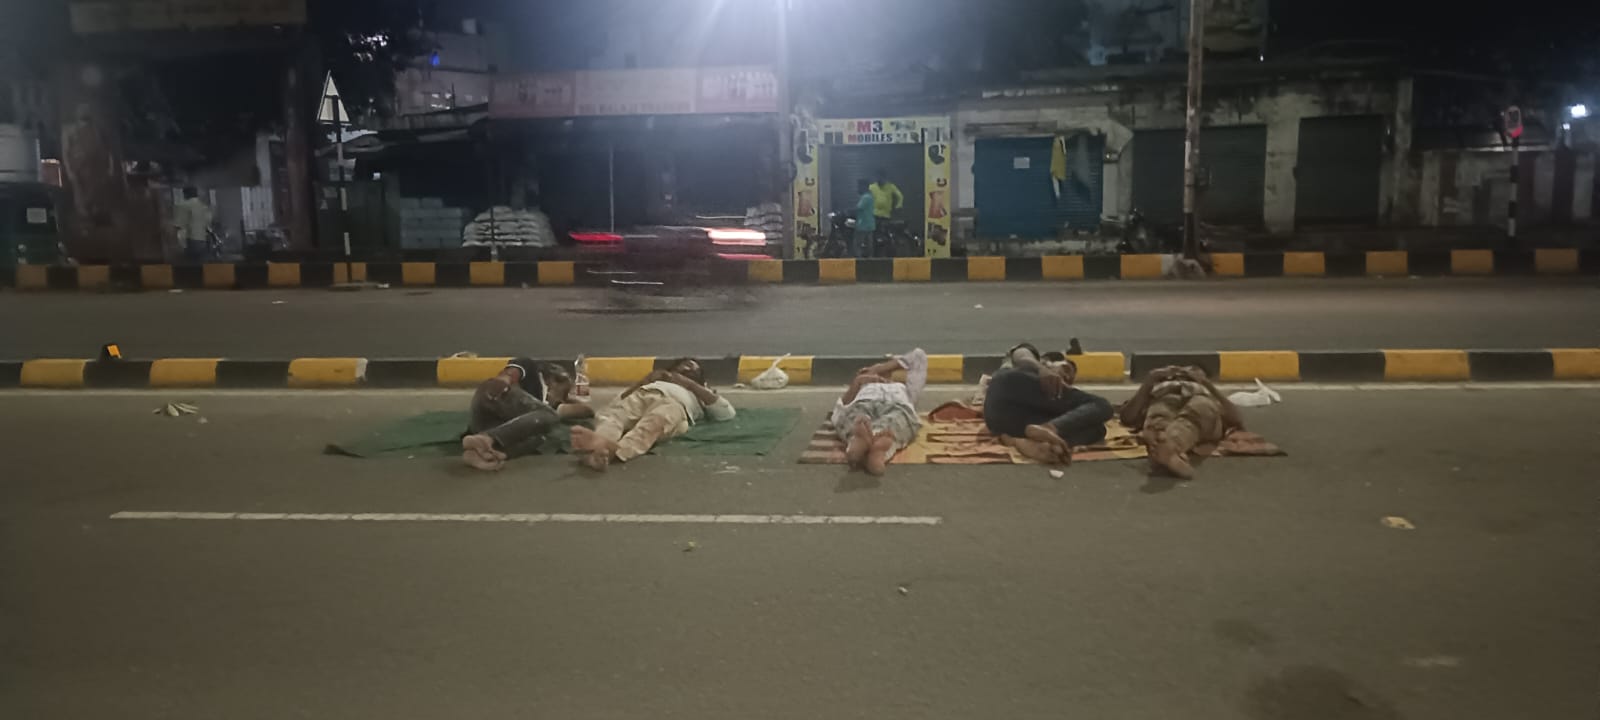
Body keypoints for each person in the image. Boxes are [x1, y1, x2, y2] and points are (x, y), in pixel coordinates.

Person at [571, 358, 734, 470]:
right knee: (613, 416)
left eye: (692, 368)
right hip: (642, 394)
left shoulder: (700, 391)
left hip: (674, 404)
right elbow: (619, 400)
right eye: (683, 365)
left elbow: (725, 413)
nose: (687, 368)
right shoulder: (658, 380)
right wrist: (644, 381)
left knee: (655, 422)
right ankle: (599, 446)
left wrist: (689, 384)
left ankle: (615, 451)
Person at [982, 343, 1114, 465]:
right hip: (1008, 385)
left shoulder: (1047, 401)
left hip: (1000, 421)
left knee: (1098, 429)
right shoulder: (1034, 366)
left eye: (1069, 380)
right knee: (1101, 404)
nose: (1066, 378)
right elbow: (1021, 354)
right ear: (1046, 360)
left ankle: (1028, 443)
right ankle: (1051, 429)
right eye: (1066, 369)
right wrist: (1042, 369)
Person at [461, 358, 594, 471]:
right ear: (554, 381)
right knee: (550, 417)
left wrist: (568, 399)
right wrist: (506, 378)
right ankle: (487, 439)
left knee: (539, 438)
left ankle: (480, 453)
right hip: (493, 395)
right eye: (564, 392)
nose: (562, 398)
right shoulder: (533, 374)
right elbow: (516, 368)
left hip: (484, 424)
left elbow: (586, 411)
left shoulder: (540, 406)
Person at [1118, 365, 1245, 480]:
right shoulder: (1157, 390)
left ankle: (1169, 451)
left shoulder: (1205, 391)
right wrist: (1149, 381)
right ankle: (1171, 454)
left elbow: (1236, 419)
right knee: (1158, 420)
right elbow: (1127, 417)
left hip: (1200, 403)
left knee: (1199, 409)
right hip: (1164, 400)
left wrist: (1207, 384)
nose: (1182, 375)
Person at [833, 348, 928, 476]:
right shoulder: (862, 384)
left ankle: (862, 448)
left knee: (893, 423)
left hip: (897, 406)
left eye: (888, 368)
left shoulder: (905, 389)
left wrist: (879, 369)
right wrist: (858, 381)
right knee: (857, 418)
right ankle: (870, 448)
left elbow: (918, 356)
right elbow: (843, 405)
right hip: (864, 402)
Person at [171, 186, 213, 263]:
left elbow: (178, 225)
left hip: (190, 240)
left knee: (190, 264)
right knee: (202, 264)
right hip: (204, 240)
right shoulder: (204, 206)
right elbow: (208, 223)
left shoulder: (183, 205)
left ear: (185, 194)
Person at [852, 179, 877, 258]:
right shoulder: (870, 196)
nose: (858, 188)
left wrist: (847, 212)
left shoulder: (865, 197)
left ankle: (859, 261)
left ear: (864, 187)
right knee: (869, 245)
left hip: (863, 225)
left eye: (859, 186)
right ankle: (869, 261)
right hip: (870, 225)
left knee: (857, 245)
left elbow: (858, 208)